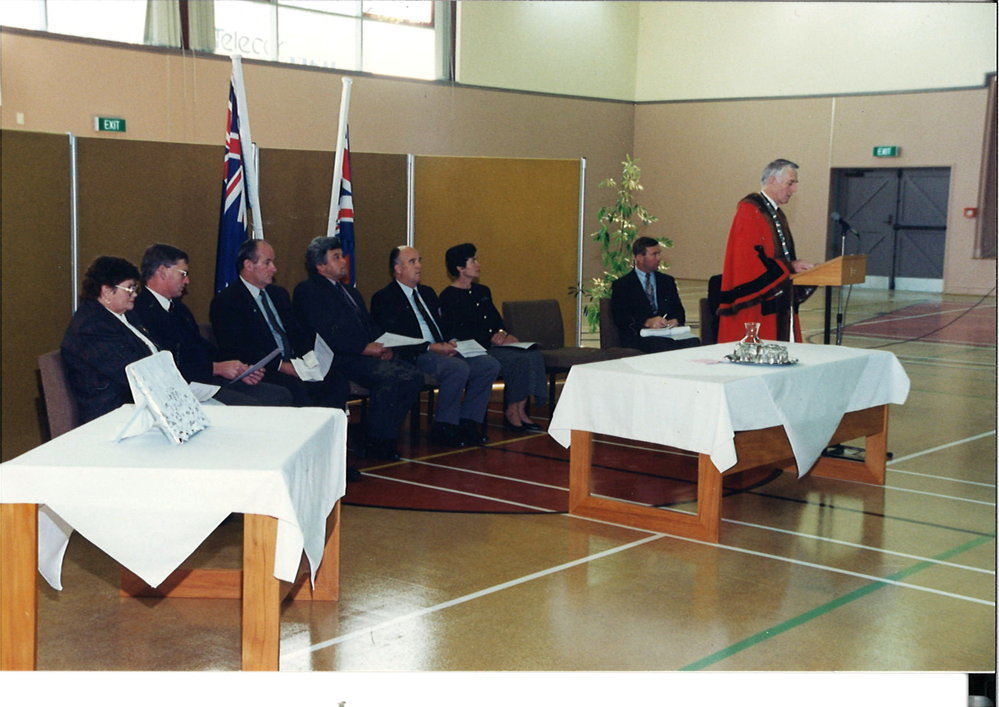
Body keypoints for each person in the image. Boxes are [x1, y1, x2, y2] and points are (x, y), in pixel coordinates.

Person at [293, 236, 424, 461]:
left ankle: (377, 432)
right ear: (320, 266)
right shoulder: (309, 290)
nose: (343, 261)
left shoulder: (350, 292)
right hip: (339, 358)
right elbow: (325, 332)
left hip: (364, 354)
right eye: (335, 257)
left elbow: (369, 325)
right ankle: (378, 441)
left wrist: (384, 345)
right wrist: (363, 349)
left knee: (414, 376)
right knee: (390, 377)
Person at [128, 243, 292, 407]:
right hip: (180, 386)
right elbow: (167, 366)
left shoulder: (178, 308)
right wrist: (216, 368)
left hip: (203, 379)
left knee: (280, 395)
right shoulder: (141, 312)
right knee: (251, 404)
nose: (187, 280)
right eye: (183, 274)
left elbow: (200, 346)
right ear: (163, 272)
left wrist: (239, 370)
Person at [370, 245, 501, 448]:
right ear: (398, 268)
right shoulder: (385, 298)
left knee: (488, 364)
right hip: (417, 354)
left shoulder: (427, 293)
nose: (419, 266)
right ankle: (444, 426)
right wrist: (430, 348)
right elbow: (392, 338)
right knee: (457, 368)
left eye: (419, 260)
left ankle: (468, 421)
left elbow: (443, 325)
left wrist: (451, 341)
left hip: (442, 349)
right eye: (412, 262)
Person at [209, 239, 349, 409]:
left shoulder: (278, 294)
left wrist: (311, 358)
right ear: (248, 265)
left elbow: (296, 332)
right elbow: (237, 348)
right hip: (262, 369)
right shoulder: (228, 301)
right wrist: (282, 366)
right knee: (295, 389)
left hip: (296, 363)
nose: (274, 268)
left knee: (337, 381)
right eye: (267, 262)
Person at [438, 243, 547, 433]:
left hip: (494, 344)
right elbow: (457, 332)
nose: (478, 264)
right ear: (460, 268)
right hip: (477, 349)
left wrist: (503, 333)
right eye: (473, 261)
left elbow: (497, 321)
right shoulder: (448, 296)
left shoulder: (483, 291)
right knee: (519, 360)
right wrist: (492, 338)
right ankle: (512, 412)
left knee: (533, 355)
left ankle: (519, 409)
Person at [716, 158, 815, 343]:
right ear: (771, 180)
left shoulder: (774, 212)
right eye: (790, 183)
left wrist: (792, 266)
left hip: (778, 297)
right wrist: (788, 267)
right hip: (759, 305)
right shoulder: (750, 210)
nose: (794, 190)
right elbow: (749, 260)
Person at [61, 256, 159, 423]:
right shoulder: (91, 326)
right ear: (106, 292)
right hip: (113, 415)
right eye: (129, 288)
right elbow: (130, 373)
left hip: (140, 404)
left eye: (135, 288)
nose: (135, 294)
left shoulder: (126, 315)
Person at [610, 236, 701, 353]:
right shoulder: (623, 285)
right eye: (654, 254)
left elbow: (678, 310)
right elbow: (621, 316)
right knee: (660, 345)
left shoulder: (666, 281)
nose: (659, 258)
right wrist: (647, 322)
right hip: (639, 335)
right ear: (639, 258)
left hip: (666, 332)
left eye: (659, 254)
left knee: (693, 341)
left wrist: (675, 320)